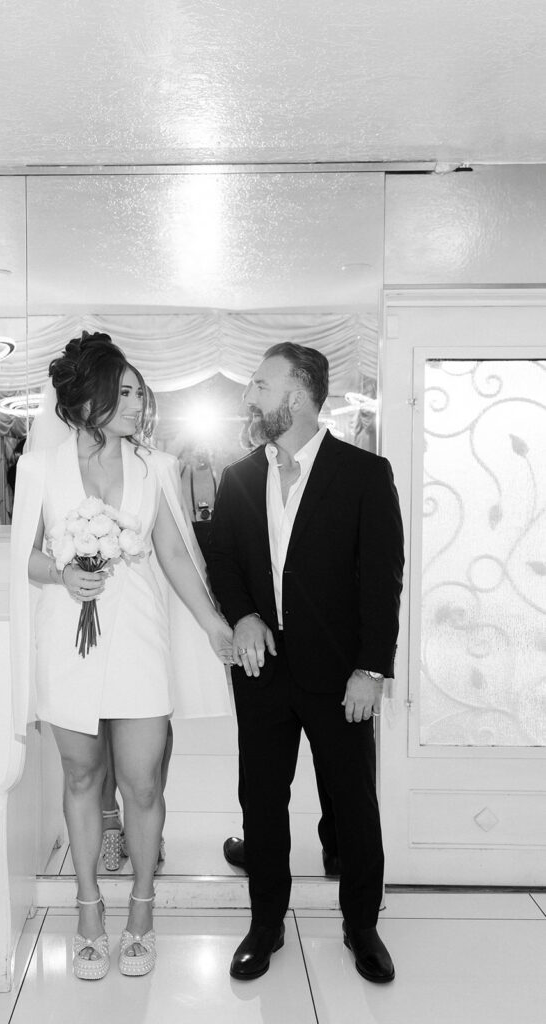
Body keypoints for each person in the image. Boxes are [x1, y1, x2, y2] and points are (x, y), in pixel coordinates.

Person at [10, 332, 233, 980]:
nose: (138, 404)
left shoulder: (155, 468)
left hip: (136, 636)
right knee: (82, 779)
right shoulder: (37, 468)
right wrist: (59, 575)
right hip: (67, 639)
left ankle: (140, 906)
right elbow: (21, 557)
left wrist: (213, 622)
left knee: (140, 783)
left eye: (140, 393)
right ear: (88, 401)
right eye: (125, 392)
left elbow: (172, 555)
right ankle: (87, 908)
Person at [207, 342, 404, 983]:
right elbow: (225, 563)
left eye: (260, 385)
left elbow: (382, 579)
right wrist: (242, 615)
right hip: (262, 669)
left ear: (297, 394)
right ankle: (266, 925)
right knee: (261, 798)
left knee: (352, 802)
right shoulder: (237, 477)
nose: (249, 396)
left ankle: (361, 926)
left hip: (341, 674)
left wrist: (371, 669)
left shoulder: (364, 475)